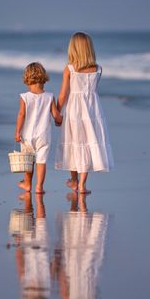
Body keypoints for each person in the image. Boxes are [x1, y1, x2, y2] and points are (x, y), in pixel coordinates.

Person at [55, 32, 114, 194]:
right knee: (87, 143)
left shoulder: (69, 69)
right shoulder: (98, 69)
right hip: (93, 111)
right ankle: (81, 184)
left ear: (73, 49)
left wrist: (56, 113)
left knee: (74, 143)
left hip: (74, 110)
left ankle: (74, 181)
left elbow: (63, 95)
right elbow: (91, 91)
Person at [15, 62, 62, 194]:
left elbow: (21, 115)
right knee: (41, 161)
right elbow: (56, 115)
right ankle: (39, 187)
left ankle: (28, 184)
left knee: (28, 161)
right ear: (43, 78)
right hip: (44, 135)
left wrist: (17, 132)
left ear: (27, 80)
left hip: (27, 135)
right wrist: (61, 120)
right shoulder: (50, 97)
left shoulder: (25, 97)